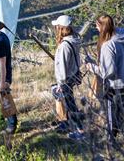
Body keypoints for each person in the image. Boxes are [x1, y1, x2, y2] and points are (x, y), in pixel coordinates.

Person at [86, 15, 124, 143]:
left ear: (102, 27)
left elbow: (109, 71)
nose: (96, 28)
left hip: (114, 85)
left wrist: (92, 67)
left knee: (112, 114)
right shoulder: (120, 38)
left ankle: (111, 140)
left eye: (97, 25)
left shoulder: (108, 45)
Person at [51, 15, 84, 140]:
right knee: (71, 104)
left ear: (61, 28)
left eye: (57, 26)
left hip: (66, 79)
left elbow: (63, 66)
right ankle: (74, 126)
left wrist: (61, 83)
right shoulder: (73, 40)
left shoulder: (65, 45)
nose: (56, 29)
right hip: (72, 75)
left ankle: (80, 131)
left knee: (71, 105)